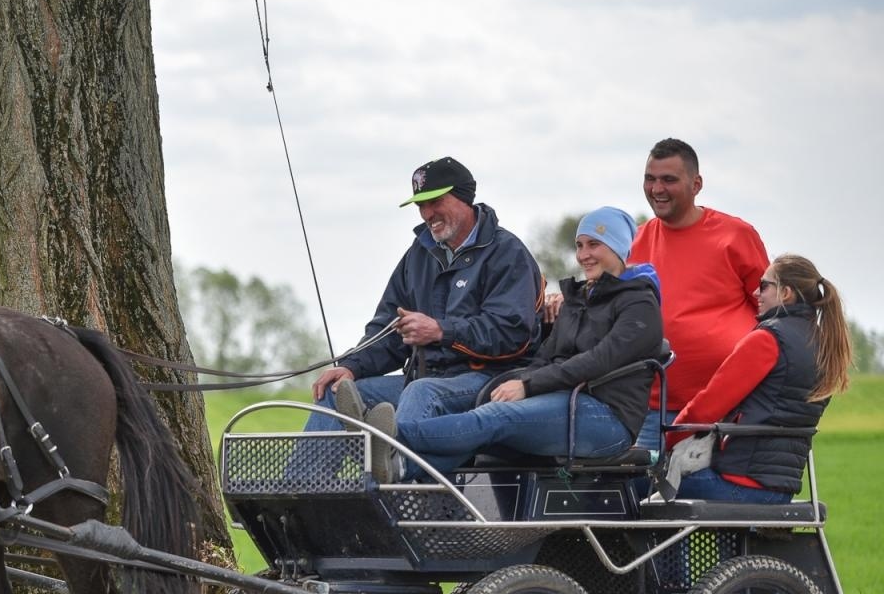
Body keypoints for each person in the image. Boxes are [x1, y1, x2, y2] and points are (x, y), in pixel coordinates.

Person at [384, 208, 662, 480]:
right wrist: (517, 380)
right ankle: (403, 470)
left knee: (496, 417)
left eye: (594, 245)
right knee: (485, 425)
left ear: (618, 247)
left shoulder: (640, 304)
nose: (583, 255)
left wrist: (527, 386)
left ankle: (393, 438)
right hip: (564, 400)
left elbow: (596, 361)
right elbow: (544, 357)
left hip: (607, 418)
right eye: (579, 245)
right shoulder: (578, 300)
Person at [303, 156, 542, 442]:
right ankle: (303, 485)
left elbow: (512, 332)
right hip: (424, 378)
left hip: (488, 378)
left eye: (435, 201)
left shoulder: (507, 252)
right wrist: (353, 366)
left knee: (422, 391)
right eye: (420, 205)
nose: (427, 213)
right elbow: (388, 327)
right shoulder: (418, 255)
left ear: (463, 197)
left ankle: (402, 481)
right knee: (338, 391)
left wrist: (441, 332)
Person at [662, 254, 852, 503]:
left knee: (631, 483)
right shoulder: (823, 343)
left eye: (764, 285)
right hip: (780, 490)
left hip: (739, 482)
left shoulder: (768, 339)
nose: (755, 292)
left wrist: (665, 441)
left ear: (785, 293)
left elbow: (706, 407)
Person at [626, 138, 770, 449]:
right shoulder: (634, 241)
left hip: (724, 409)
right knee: (637, 494)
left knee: (707, 496)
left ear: (696, 184)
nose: (656, 189)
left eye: (668, 179)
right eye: (650, 179)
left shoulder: (735, 236)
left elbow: (771, 312)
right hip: (652, 408)